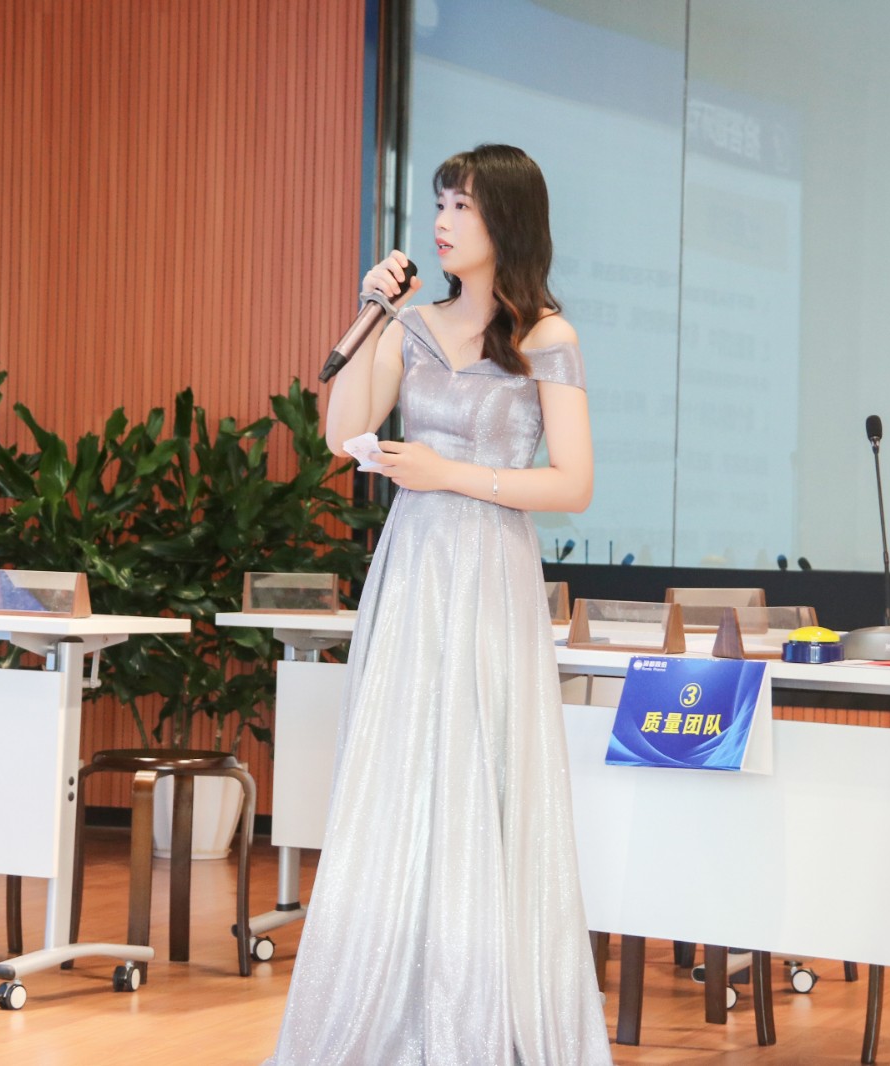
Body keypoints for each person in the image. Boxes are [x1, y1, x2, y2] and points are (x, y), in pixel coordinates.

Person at [264, 144, 613, 1064]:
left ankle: (480, 1014)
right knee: (400, 767)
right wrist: (372, 314)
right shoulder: (410, 325)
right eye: (440, 203)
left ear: (508, 219)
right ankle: (392, 1006)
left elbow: (573, 483)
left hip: (491, 570)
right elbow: (343, 432)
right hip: (415, 567)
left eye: (462, 205)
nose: (443, 221)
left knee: (482, 770)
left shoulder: (547, 337)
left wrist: (450, 473)